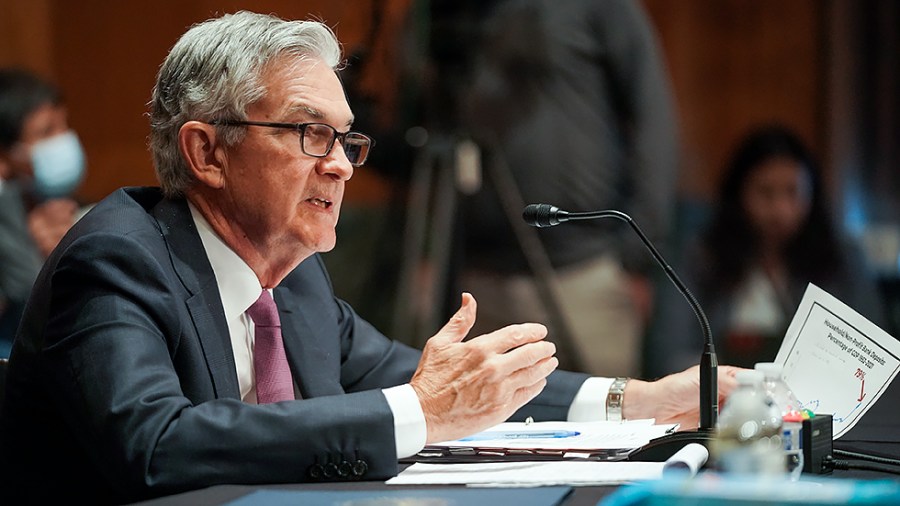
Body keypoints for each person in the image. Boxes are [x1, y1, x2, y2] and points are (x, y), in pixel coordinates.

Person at [0, 12, 735, 504]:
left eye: (347, 140)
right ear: (205, 152)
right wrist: (419, 412)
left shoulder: (295, 282)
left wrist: (634, 400)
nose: (343, 167)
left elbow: (414, 376)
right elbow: (154, 444)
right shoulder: (115, 258)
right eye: (309, 134)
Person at [455, 0, 680, 376]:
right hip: (478, 278)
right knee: (477, 428)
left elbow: (653, 120)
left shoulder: (601, 8)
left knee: (611, 423)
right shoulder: (450, 14)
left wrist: (636, 255)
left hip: (587, 272)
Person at [649, 124, 886, 374]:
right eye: (766, 193)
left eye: (793, 192)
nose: (781, 210)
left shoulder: (841, 257)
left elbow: (872, 353)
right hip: (722, 400)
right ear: (739, 194)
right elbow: (669, 354)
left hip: (815, 403)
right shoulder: (702, 256)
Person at [0, 68, 85, 356]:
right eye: (47, 131)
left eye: (65, 125)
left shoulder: (82, 211)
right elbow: (23, 293)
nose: (64, 139)